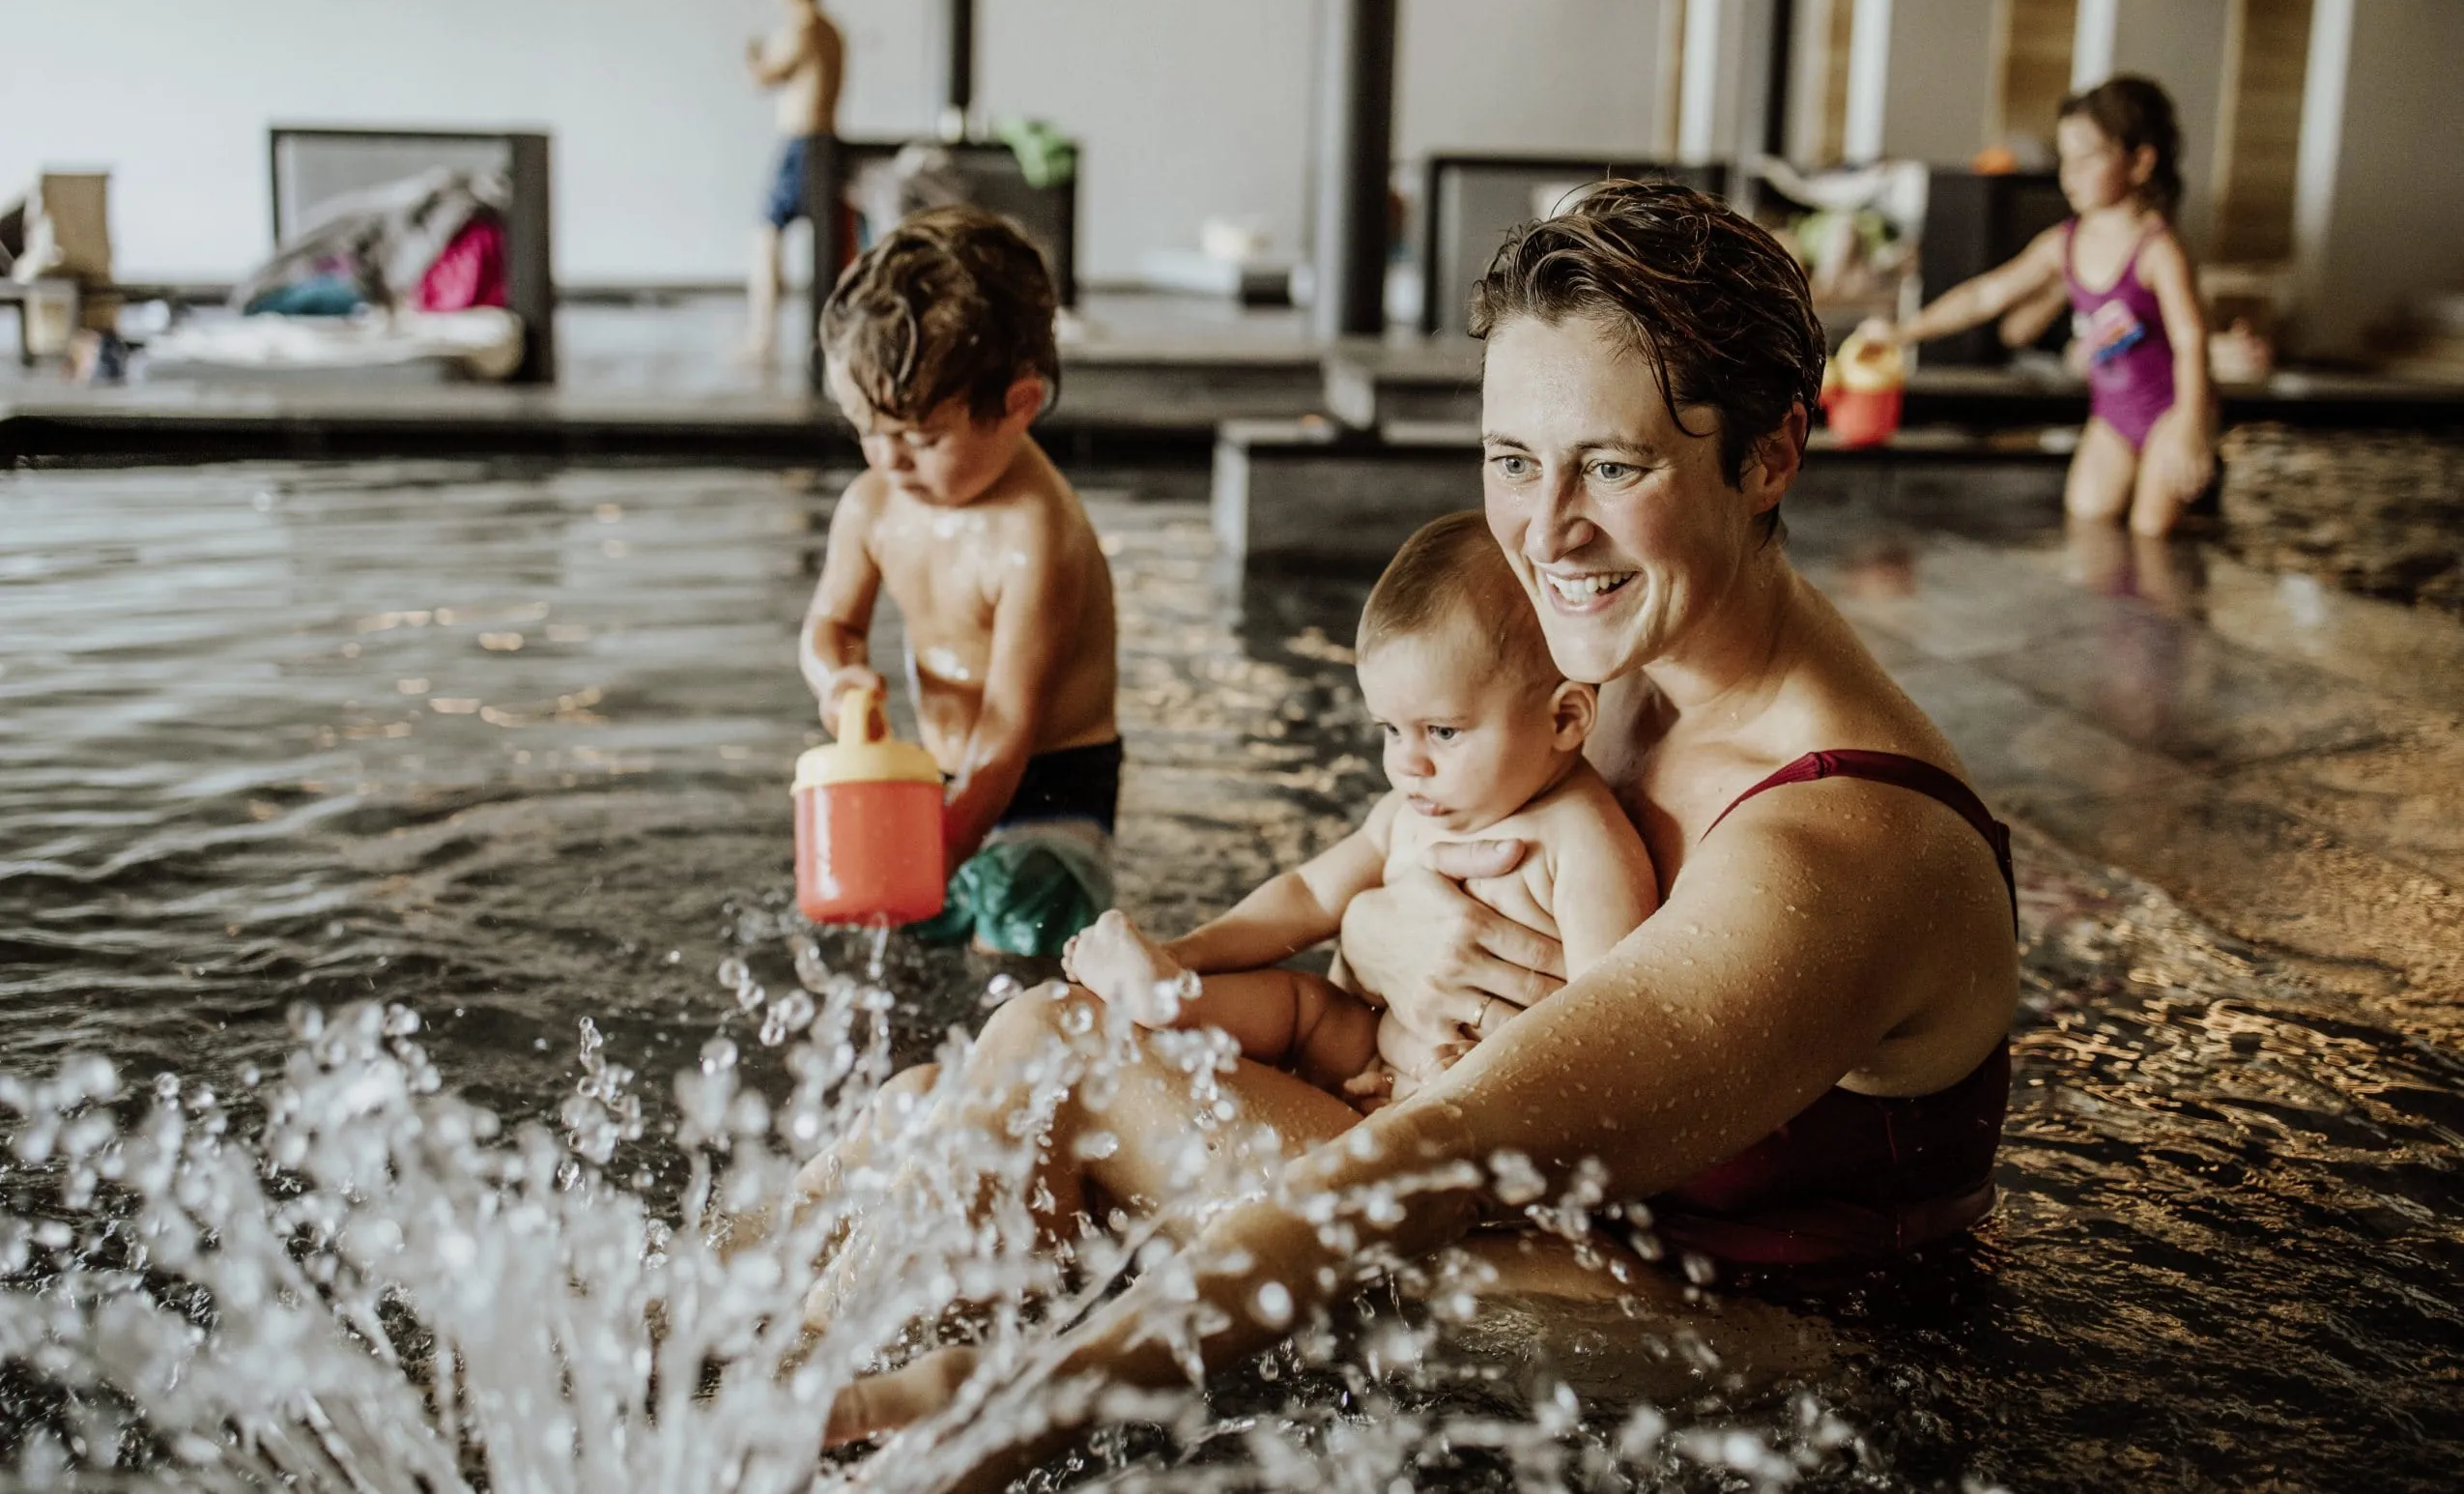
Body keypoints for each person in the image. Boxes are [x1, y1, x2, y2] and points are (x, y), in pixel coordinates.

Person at [817, 183, 2020, 1481]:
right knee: (926, 1105)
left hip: (1766, 1367)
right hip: (1545, 1237)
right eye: (1511, 460)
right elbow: (1385, 896)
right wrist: (1385, 937)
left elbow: (1442, 1153)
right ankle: (767, 1371)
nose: (1543, 531)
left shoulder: (1838, 839)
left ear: (1772, 453)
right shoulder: (1607, 673)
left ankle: (923, 1420)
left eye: (1612, 468)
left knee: (1054, 1055)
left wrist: (1025, 1414)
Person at [1063, 510, 1658, 1106]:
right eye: (1390, 730)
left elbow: (1608, 1033)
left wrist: (1480, 1090)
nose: (1407, 764)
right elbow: (1306, 897)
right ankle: (1168, 993)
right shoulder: (1411, 809)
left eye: (1443, 732)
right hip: (1366, 1052)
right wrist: (1183, 951)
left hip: (1467, 1108)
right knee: (1301, 1007)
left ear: (1565, 719)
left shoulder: (1583, 845)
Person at [800, 205, 1121, 957]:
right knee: (864, 929)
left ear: (1018, 406)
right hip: (936, 775)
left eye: (922, 438)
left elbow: (1007, 731)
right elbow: (829, 629)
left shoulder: (1034, 535)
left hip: (1049, 789)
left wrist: (938, 854)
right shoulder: (873, 505)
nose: (890, 460)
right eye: (868, 431)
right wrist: (837, 680)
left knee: (1016, 930)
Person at [1861, 75, 2216, 537]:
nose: (2070, 175)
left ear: (2141, 162)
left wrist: (2191, 425)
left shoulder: (2157, 248)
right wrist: (1903, 332)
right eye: (2065, 160)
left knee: (2151, 532)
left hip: (2171, 411)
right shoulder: (2063, 244)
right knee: (2088, 520)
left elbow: (2192, 339)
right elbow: (1986, 294)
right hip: (2112, 416)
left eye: (2087, 159)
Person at [743, 0, 846, 365]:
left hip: (801, 142)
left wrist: (752, 55)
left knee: (765, 234)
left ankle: (761, 336)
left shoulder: (803, 29)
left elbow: (765, 78)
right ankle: (785, 325)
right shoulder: (834, 32)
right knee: (802, 238)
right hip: (824, 140)